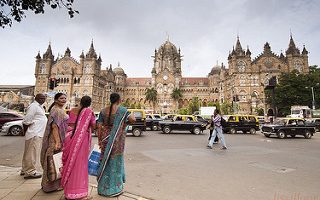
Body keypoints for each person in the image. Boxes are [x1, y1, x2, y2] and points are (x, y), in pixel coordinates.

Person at [97, 93, 135, 197]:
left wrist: (99, 140)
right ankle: (114, 189)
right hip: (117, 141)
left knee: (105, 161)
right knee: (115, 162)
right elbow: (133, 119)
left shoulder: (103, 111)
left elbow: (99, 127)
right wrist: (125, 123)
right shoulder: (122, 110)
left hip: (105, 139)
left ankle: (102, 189)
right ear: (118, 100)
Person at [61, 96, 96, 200]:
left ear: (80, 102)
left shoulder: (72, 110)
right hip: (82, 140)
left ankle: (69, 193)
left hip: (70, 138)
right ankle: (79, 193)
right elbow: (93, 125)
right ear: (89, 103)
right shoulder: (89, 111)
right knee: (80, 165)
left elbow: (69, 123)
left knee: (70, 163)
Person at [41, 93, 69, 192]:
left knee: (54, 161)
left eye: (65, 98)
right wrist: (57, 142)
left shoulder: (58, 110)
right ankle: (51, 186)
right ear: (56, 100)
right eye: (61, 98)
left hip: (58, 139)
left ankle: (49, 184)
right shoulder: (57, 110)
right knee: (52, 161)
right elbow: (54, 127)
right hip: (55, 140)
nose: (64, 100)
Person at [21, 93, 47, 179]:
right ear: (36, 98)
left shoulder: (40, 107)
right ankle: (30, 171)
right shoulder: (33, 106)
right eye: (41, 98)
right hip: (35, 133)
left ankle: (25, 169)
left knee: (28, 152)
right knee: (32, 153)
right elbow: (27, 120)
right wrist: (29, 130)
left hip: (37, 133)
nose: (43, 99)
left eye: (44, 98)